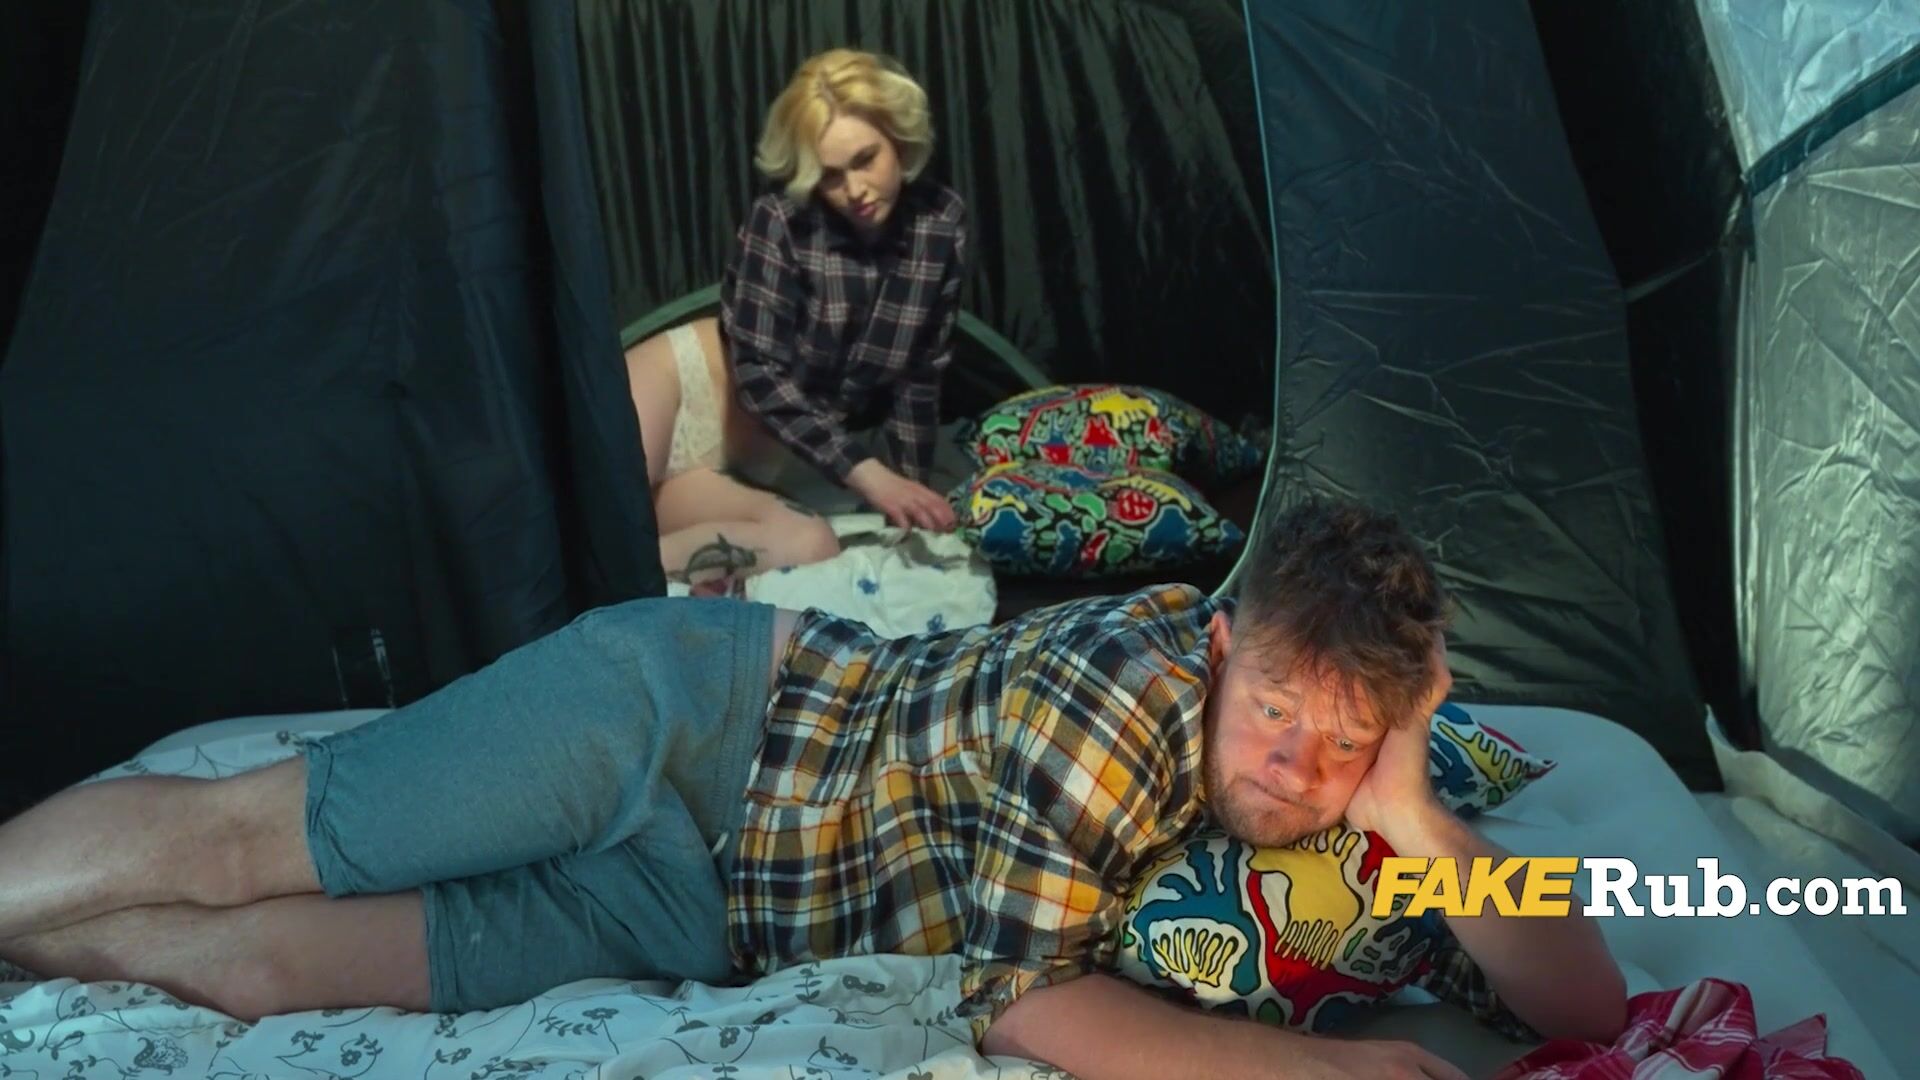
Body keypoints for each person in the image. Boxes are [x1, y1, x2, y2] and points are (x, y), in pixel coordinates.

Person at [0, 499, 1627, 1079]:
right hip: (698, 720)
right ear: (1220, 646)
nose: (1291, 768)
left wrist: (1414, 807)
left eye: (1339, 742)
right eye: (1272, 713)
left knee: (271, 972)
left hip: (711, 910)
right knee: (248, 845)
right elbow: (1026, 1004)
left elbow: (1590, 1011)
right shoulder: (1126, 702)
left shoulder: (1356, 792)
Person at [623, 48, 966, 592]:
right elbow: (758, 374)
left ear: (899, 140)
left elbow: (919, 377)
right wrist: (869, 475)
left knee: (812, 544)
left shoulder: (940, 224)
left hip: (748, 461)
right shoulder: (781, 219)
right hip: (682, 386)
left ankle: (617, 577)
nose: (854, 190)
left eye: (865, 159)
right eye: (830, 175)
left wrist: (910, 493)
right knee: (603, 510)